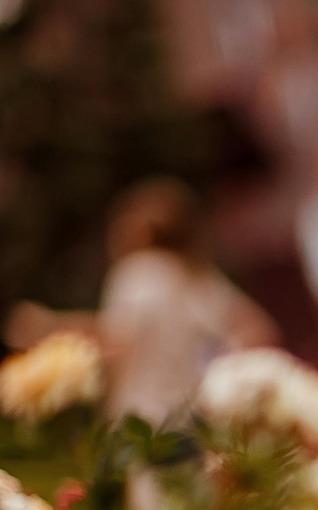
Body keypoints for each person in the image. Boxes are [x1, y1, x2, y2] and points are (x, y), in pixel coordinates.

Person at [94, 178, 277, 424]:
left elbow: (116, 343)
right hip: (191, 422)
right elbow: (260, 331)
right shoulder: (202, 281)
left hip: (141, 424)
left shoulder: (138, 273)